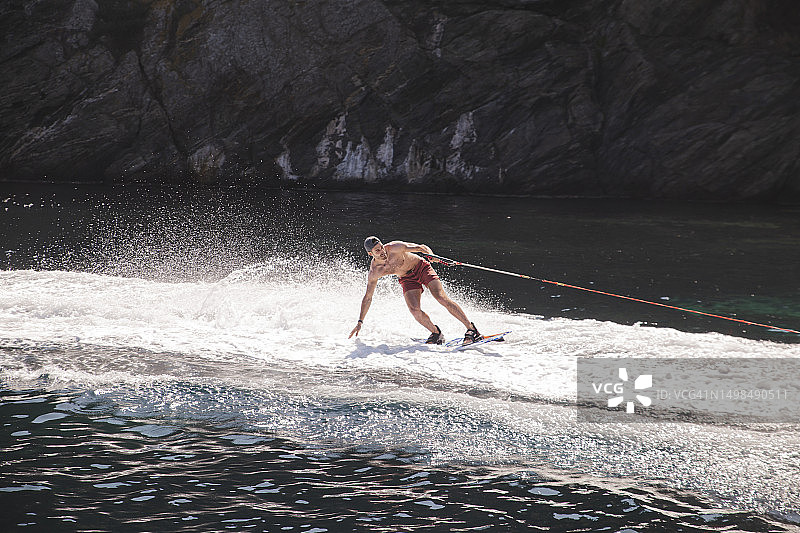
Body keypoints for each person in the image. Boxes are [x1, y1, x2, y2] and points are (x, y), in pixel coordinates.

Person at [349, 236, 481, 345]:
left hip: (421, 268)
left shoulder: (395, 247)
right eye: (377, 251)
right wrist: (360, 322)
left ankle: (471, 329)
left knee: (440, 297)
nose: (382, 252)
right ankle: (436, 333)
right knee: (414, 310)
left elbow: (421, 247)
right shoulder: (375, 272)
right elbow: (368, 297)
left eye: (381, 247)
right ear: (370, 254)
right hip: (407, 278)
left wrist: (431, 255)